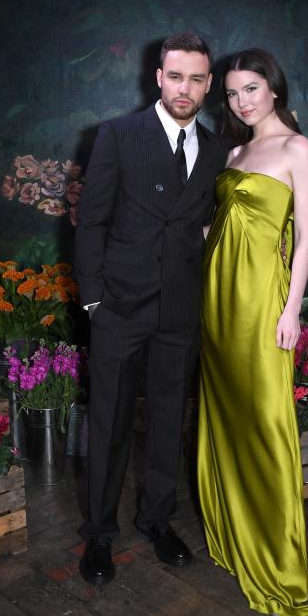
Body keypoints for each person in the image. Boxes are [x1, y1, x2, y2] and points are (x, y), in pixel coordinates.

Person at [73, 32, 225, 585]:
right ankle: (99, 535)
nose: (186, 88)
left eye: (197, 79)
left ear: (209, 84)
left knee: (167, 421)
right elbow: (90, 222)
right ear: (157, 77)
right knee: (109, 422)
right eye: (176, 76)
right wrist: (92, 299)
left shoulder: (214, 152)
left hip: (180, 311)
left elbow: (207, 228)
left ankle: (158, 520)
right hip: (117, 307)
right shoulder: (115, 136)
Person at [196, 48, 308, 616]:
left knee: (266, 421)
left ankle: (278, 561)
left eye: (251, 88)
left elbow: (304, 240)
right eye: (233, 93)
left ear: (274, 88)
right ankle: (236, 532)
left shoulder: (297, 148)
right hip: (219, 300)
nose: (242, 101)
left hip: (264, 303)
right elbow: (220, 225)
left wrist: (291, 309)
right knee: (227, 415)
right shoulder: (236, 150)